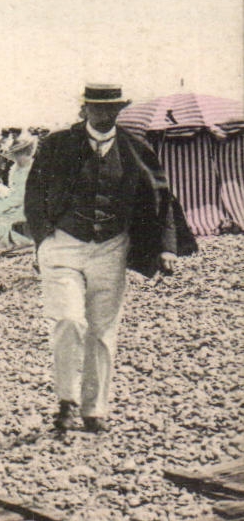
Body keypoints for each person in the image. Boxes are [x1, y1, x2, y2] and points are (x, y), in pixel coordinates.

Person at [25, 83, 194, 433]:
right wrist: (42, 241)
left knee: (102, 332)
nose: (105, 115)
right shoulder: (57, 145)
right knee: (69, 321)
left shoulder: (136, 148)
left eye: (112, 109)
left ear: (120, 111)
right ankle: (66, 401)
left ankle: (94, 409)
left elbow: (161, 196)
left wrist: (166, 246)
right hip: (63, 245)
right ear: (84, 110)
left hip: (111, 247)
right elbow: (34, 194)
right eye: (97, 109)